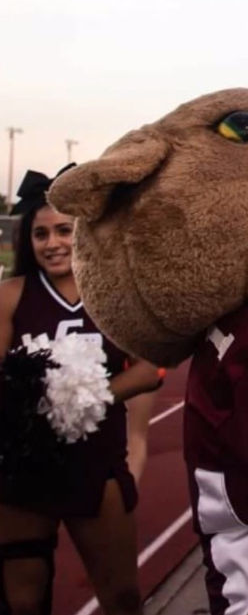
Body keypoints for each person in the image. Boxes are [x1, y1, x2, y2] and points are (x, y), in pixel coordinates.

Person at [0, 169, 161, 615]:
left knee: (123, 598)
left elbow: (150, 370)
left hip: (94, 463)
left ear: (85, 232)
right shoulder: (11, 295)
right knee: (22, 601)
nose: (52, 242)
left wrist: (83, 397)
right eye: (40, 233)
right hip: (22, 469)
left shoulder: (115, 295)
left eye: (63, 230)